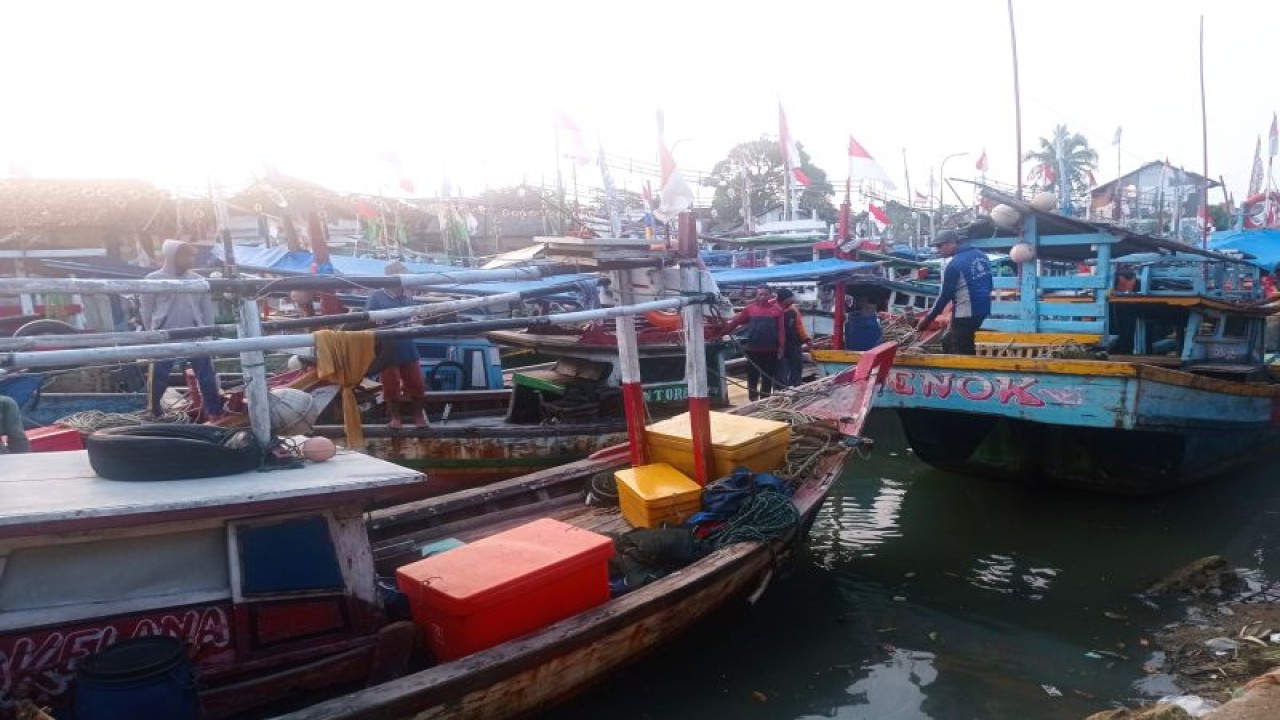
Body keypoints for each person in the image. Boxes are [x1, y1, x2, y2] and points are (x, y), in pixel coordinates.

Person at [139, 240, 224, 420]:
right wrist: (151, 334)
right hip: (164, 335)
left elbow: (206, 310)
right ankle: (152, 410)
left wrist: (208, 334)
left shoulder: (199, 281)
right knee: (159, 376)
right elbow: (146, 310)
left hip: (195, 335)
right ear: (172, 256)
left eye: (192, 255)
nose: (190, 259)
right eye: (186, 255)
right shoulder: (152, 279)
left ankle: (214, 412)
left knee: (207, 376)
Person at [365, 264, 427, 428]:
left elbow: (413, 317)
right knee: (391, 385)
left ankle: (419, 417)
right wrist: (377, 321)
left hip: (407, 344)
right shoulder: (376, 297)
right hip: (388, 347)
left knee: (417, 384)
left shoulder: (407, 297)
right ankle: (395, 418)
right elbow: (369, 320)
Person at [917, 229, 992, 355]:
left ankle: (967, 373)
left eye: (939, 246)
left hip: (966, 312)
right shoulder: (982, 256)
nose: (938, 250)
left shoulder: (954, 264)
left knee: (960, 348)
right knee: (950, 340)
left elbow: (945, 295)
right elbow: (988, 283)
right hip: (983, 308)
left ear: (951, 243)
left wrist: (928, 319)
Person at [724, 285, 785, 401]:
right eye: (760, 294)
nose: (763, 297)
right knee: (752, 376)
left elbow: (781, 330)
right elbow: (735, 322)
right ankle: (752, 399)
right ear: (756, 295)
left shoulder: (777, 310)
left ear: (770, 295)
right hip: (752, 349)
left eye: (765, 294)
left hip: (771, 349)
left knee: (767, 377)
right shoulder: (749, 309)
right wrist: (721, 332)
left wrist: (782, 346)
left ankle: (764, 399)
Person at [774, 289, 810, 387]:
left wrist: (806, 339)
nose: (793, 299)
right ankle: (780, 389)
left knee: (797, 367)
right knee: (780, 369)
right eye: (791, 297)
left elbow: (799, 326)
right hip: (778, 345)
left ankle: (796, 386)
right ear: (785, 299)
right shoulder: (773, 309)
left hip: (794, 344)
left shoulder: (793, 309)